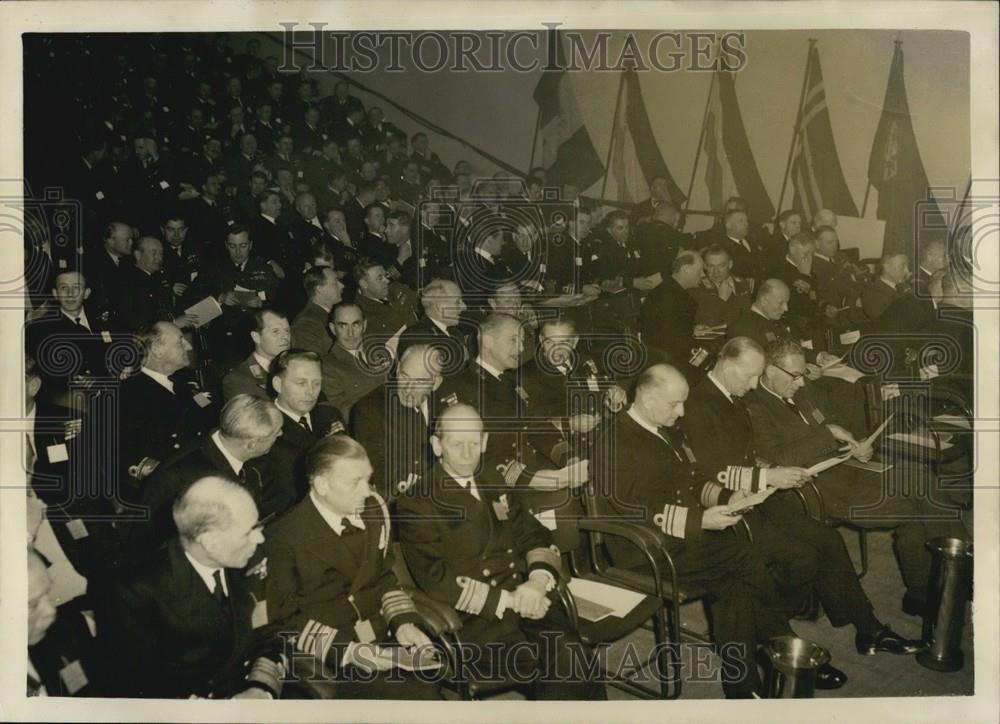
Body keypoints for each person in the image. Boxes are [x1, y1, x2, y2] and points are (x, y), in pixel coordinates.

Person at [682, 338, 924, 659]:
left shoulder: (731, 393)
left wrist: (765, 469)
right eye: (751, 376)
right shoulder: (700, 404)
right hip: (727, 507)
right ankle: (777, 635)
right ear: (728, 366)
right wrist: (766, 474)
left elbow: (748, 452)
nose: (755, 384)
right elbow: (709, 471)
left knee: (827, 541)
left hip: (756, 494)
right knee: (797, 558)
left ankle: (869, 629)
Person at [591, 364, 823, 697]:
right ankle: (782, 641)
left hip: (681, 538)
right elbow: (634, 509)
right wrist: (701, 520)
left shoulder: (665, 427)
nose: (682, 411)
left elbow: (694, 480)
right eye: (674, 404)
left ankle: (745, 689)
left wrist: (730, 496)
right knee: (743, 554)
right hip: (644, 549)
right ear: (646, 397)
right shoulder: (614, 440)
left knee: (734, 586)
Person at [745, 338, 970, 615]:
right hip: (815, 486)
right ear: (769, 371)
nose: (802, 383)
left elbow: (832, 422)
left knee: (918, 475)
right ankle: (954, 576)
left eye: (803, 374)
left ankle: (936, 584)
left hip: (848, 467)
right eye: (795, 376)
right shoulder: (755, 408)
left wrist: (855, 443)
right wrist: (829, 435)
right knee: (916, 505)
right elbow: (779, 459)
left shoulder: (804, 390)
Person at [398, 404, 606, 700]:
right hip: (477, 620)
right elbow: (435, 578)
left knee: (573, 656)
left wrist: (536, 582)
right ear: (437, 445)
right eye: (457, 444)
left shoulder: (493, 481)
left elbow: (534, 533)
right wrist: (511, 599)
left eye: (474, 442)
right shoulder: (417, 502)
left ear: (484, 441)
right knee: (571, 662)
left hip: (529, 597)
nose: (468, 453)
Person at [264, 435, 441, 699]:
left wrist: (403, 622)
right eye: (355, 482)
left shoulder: (372, 511)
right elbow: (282, 620)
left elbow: (384, 576)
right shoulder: (283, 538)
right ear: (322, 485)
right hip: (331, 656)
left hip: (382, 636)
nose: (367, 491)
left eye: (368, 479)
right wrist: (350, 652)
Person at [104, 477, 286, 699]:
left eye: (257, 525)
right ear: (210, 542)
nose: (259, 538)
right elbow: (137, 685)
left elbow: (271, 630)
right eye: (248, 532)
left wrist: (261, 687)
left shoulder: (250, 556)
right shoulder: (140, 590)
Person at [436, 313, 585, 492]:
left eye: (521, 341)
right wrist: (535, 480)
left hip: (539, 474)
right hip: (499, 488)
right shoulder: (459, 388)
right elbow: (473, 456)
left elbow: (538, 426)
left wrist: (569, 458)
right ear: (488, 341)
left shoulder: (512, 381)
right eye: (513, 340)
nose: (521, 348)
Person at [132, 394, 287, 556]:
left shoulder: (238, 455)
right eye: (276, 433)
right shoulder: (185, 481)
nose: (281, 434)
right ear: (251, 444)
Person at [118, 321, 217, 500]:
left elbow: (212, 418)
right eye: (180, 341)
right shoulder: (128, 393)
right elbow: (122, 450)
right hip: (175, 486)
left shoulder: (184, 383)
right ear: (157, 349)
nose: (188, 345)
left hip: (207, 468)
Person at [351, 343, 442, 502]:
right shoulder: (370, 409)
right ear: (398, 369)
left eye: (419, 382)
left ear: (436, 383)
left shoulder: (448, 402)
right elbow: (382, 475)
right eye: (405, 376)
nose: (408, 389)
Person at [266, 349, 346, 501]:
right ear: (278, 384)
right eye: (301, 383)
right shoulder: (265, 428)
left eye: (316, 383)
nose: (310, 392)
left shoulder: (329, 415)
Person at [639, 251, 711, 382]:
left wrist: (692, 330)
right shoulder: (676, 298)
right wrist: (706, 358)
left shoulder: (664, 290)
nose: (703, 275)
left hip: (659, 357)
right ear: (685, 270)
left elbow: (669, 328)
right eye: (700, 270)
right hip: (673, 363)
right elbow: (678, 344)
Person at [320, 302, 391, 420]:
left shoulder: (380, 351)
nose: (350, 333)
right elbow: (341, 411)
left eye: (355, 325)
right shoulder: (328, 366)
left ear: (364, 325)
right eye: (343, 326)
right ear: (333, 329)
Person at [396, 277, 472, 368]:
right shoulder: (415, 337)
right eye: (457, 302)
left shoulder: (455, 332)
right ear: (439, 307)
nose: (464, 307)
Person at [222, 307, 291, 400]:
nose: (285, 337)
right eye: (276, 331)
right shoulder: (238, 380)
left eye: (287, 330)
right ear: (256, 337)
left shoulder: (295, 367)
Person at [352, 258, 418, 341]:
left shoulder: (395, 288)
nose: (387, 281)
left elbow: (420, 302)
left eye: (385, 275)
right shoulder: (359, 314)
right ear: (364, 284)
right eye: (380, 278)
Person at [691, 244, 754, 328]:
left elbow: (747, 316)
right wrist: (721, 299)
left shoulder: (742, 283)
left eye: (721, 266)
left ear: (730, 264)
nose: (716, 271)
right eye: (711, 266)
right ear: (705, 266)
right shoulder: (698, 287)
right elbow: (704, 323)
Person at [291, 265, 344, 355]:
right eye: (335, 282)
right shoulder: (306, 323)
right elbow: (313, 361)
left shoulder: (331, 315)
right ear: (319, 289)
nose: (342, 285)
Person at [861, 252, 911, 321]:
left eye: (907, 266)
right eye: (902, 266)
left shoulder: (905, 287)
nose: (907, 271)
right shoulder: (873, 295)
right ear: (887, 267)